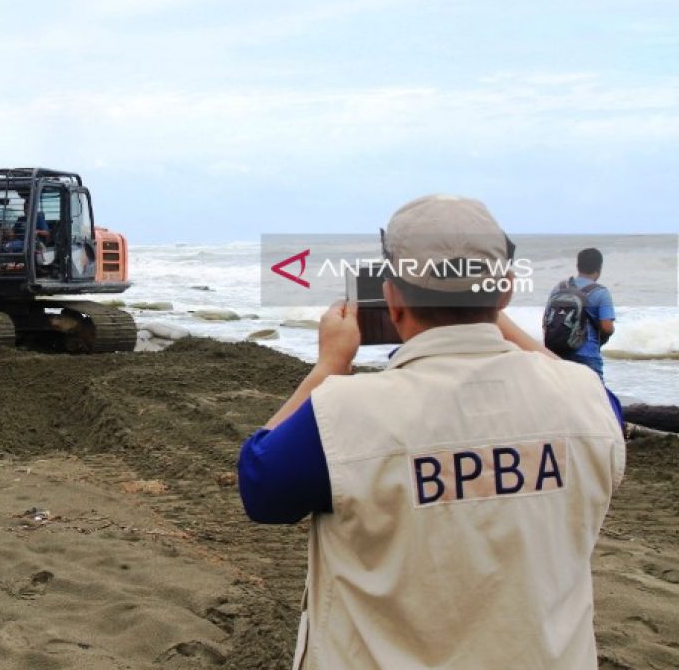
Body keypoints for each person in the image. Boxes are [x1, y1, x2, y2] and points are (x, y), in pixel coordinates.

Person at [238, 194, 625, 669]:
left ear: (392, 299)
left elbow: (260, 483)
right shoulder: (590, 402)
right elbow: (574, 384)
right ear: (505, 291)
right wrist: (491, 318)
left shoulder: (344, 413)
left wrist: (328, 366)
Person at [544, 248, 615, 379]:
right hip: (587, 355)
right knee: (594, 396)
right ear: (599, 268)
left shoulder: (559, 288)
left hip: (559, 352)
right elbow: (606, 326)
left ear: (577, 266)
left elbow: (547, 321)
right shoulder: (601, 293)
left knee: (565, 394)